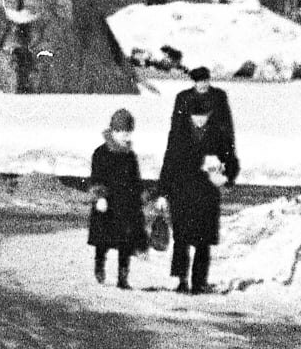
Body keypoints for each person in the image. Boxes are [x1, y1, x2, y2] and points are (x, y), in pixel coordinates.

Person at [156, 66, 239, 295]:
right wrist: (163, 192)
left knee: (203, 240)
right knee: (182, 238)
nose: (200, 120)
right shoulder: (180, 137)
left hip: (206, 192)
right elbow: (169, 161)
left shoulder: (217, 135)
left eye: (203, 116)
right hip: (182, 191)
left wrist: (227, 176)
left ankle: (199, 281)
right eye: (196, 116)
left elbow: (230, 155)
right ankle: (182, 280)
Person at [88, 107, 148, 288]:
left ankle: (123, 279)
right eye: (121, 131)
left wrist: (142, 196)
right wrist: (100, 197)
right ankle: (99, 265)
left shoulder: (130, 155)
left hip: (126, 206)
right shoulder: (101, 153)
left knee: (126, 243)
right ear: (113, 130)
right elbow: (96, 177)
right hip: (107, 204)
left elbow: (135, 179)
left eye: (128, 132)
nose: (124, 135)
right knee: (103, 240)